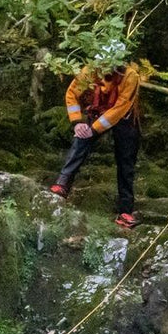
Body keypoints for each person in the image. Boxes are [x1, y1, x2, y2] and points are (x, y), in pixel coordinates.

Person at [49, 45, 143, 229]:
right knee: (81, 140)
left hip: (125, 117)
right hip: (98, 109)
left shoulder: (131, 76)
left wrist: (95, 129)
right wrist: (78, 122)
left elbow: (120, 107)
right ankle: (62, 184)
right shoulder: (90, 70)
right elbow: (72, 94)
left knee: (126, 161)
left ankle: (125, 210)